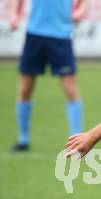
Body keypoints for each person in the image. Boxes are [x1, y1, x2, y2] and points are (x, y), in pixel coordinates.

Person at [9, 0, 87, 152]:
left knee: (71, 90)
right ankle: (23, 140)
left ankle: (77, 141)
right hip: (35, 34)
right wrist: (13, 14)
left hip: (61, 36)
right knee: (25, 89)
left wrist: (82, 10)